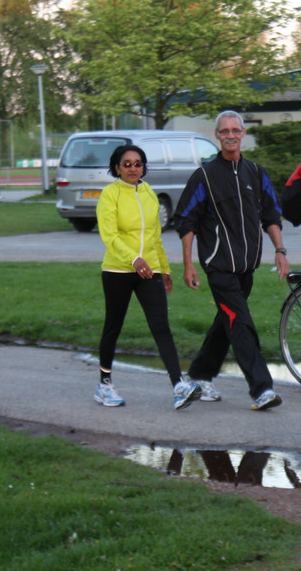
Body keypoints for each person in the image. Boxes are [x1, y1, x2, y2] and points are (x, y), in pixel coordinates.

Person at [174, 111, 289, 411]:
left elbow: (271, 215)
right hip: (219, 266)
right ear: (217, 135)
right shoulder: (205, 176)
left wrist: (280, 250)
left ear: (243, 133)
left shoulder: (256, 173)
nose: (230, 136)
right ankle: (261, 389)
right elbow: (186, 222)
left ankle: (199, 375)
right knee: (240, 323)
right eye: (224, 131)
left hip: (246, 268)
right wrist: (188, 264)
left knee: (226, 321)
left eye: (235, 130)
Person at [95, 144, 201, 410]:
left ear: (143, 167)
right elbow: (110, 235)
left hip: (149, 270)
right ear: (117, 168)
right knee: (113, 326)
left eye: (138, 163)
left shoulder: (149, 194)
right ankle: (104, 384)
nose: (133, 168)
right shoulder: (110, 194)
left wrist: (164, 270)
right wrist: (134, 258)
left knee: (160, 325)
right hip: (118, 270)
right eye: (127, 164)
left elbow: (155, 238)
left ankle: (178, 386)